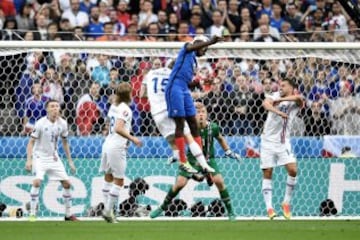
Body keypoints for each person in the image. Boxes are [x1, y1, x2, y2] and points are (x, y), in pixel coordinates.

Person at [150, 102, 241, 220]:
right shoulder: (188, 128)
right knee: (180, 183)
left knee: (219, 180)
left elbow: (220, 139)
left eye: (203, 112)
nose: (201, 115)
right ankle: (162, 207)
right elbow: (178, 140)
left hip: (208, 159)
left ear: (207, 114)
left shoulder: (212, 127)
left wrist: (228, 152)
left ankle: (231, 212)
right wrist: (175, 154)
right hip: (192, 159)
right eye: (198, 113)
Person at [140, 60, 215, 173]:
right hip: (171, 110)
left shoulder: (150, 74)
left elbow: (142, 94)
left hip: (156, 114)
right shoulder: (176, 76)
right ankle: (204, 164)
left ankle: (178, 158)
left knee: (172, 140)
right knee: (188, 137)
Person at [165, 35, 223, 173]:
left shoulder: (194, 62)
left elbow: (188, 81)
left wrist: (200, 82)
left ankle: (201, 159)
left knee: (193, 121)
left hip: (184, 88)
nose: (205, 51)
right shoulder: (187, 48)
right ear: (199, 43)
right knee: (180, 123)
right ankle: (183, 160)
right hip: (175, 88)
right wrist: (211, 42)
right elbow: (192, 46)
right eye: (205, 48)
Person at [25, 99, 78, 222]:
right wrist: (29, 160)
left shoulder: (63, 124)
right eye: (52, 106)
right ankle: (32, 214)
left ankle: (68, 214)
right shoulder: (40, 123)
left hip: (53, 157)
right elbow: (31, 142)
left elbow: (65, 142)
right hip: (39, 157)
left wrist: (70, 161)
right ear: (47, 109)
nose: (55, 108)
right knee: (37, 182)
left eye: (57, 106)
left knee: (67, 184)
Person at [261, 77, 304, 220]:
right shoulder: (274, 96)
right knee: (268, 172)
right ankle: (269, 208)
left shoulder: (293, 100)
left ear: (291, 88)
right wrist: (278, 111)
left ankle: (286, 203)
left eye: (284, 85)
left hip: (283, 141)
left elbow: (299, 99)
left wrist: (279, 102)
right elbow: (265, 104)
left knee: (293, 170)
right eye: (280, 85)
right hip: (267, 141)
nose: (280, 87)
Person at [100, 82, 142, 223]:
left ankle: (107, 209)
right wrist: (133, 138)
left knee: (108, 177)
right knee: (119, 180)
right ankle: (108, 212)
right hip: (116, 146)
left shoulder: (113, 106)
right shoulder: (125, 110)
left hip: (107, 143)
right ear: (128, 95)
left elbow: (112, 126)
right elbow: (118, 127)